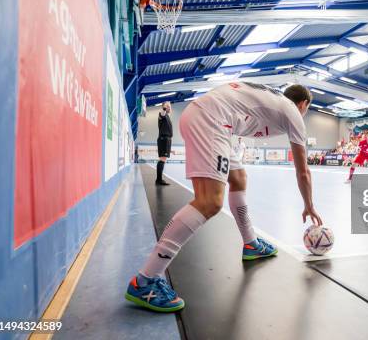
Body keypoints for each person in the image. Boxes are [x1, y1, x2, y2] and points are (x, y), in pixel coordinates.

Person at [126, 83, 323, 312]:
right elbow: (303, 172)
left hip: (214, 120)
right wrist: (309, 205)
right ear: (303, 104)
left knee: (238, 178)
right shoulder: (292, 112)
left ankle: (251, 244)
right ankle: (146, 279)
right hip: (213, 120)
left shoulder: (272, 99)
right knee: (209, 202)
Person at [156, 101, 173, 185]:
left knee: (163, 159)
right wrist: (165, 107)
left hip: (167, 139)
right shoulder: (162, 115)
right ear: (163, 107)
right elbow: (162, 112)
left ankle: (159, 179)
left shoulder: (168, 117)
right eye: (167, 106)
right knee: (162, 159)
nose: (169, 107)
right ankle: (159, 180)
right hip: (164, 139)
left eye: (170, 106)